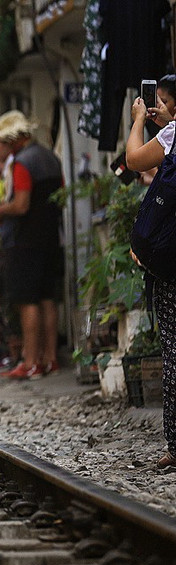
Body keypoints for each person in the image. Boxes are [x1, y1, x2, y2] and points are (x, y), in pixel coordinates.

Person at [0, 111, 64, 381]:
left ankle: (31, 361)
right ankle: (50, 358)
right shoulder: (51, 159)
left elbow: (21, 205)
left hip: (25, 242)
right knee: (47, 299)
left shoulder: (22, 162)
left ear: (13, 139)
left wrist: (1, 210)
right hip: (51, 238)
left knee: (27, 301)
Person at [125, 91, 176, 469]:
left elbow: (133, 160)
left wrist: (140, 119)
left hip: (171, 260)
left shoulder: (173, 135)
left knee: (173, 350)